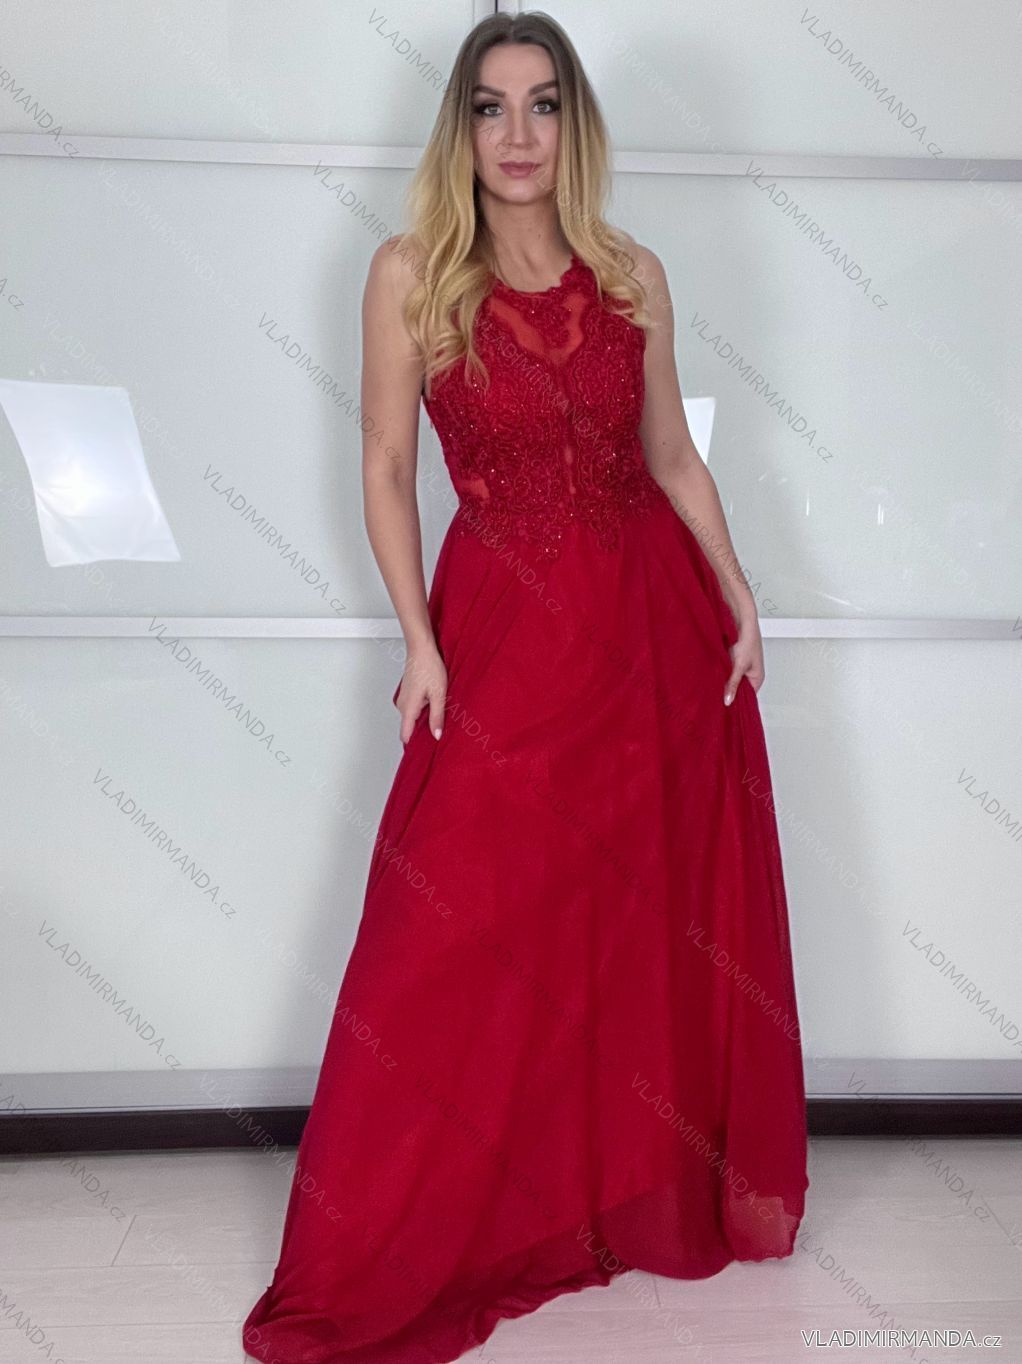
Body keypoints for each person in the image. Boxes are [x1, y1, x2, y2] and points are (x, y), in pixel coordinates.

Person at [243, 11, 808, 1362]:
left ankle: (610, 1195)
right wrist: (418, 641)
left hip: (650, 628)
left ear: (573, 125)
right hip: (502, 630)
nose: (516, 134)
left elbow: (670, 454)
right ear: (460, 127)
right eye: (490, 107)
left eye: (542, 105)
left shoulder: (631, 273)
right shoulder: (409, 274)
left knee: (631, 920)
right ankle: (417, 1223)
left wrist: (735, 587)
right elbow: (386, 468)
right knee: (456, 928)